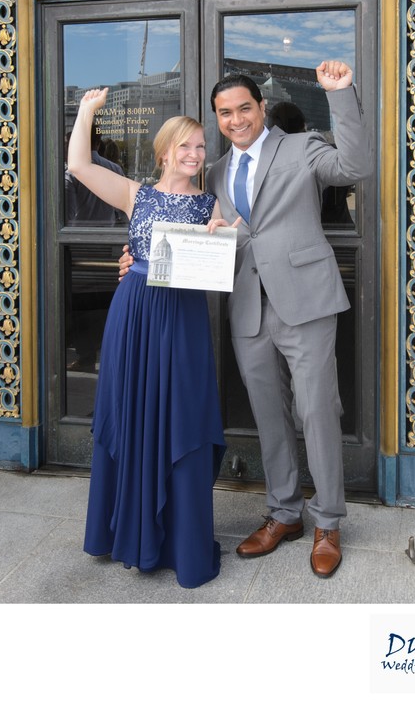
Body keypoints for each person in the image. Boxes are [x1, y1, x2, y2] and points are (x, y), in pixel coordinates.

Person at [120, 59, 371, 578]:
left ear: (261, 108)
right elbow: (178, 227)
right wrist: (136, 258)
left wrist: (341, 94)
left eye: (243, 109)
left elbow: (356, 166)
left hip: (306, 301)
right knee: (269, 415)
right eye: (224, 113)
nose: (235, 120)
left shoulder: (301, 148)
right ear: (217, 118)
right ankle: (284, 514)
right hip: (247, 307)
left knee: (317, 411)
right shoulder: (211, 171)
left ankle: (327, 522)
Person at [67, 87, 226, 588]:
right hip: (134, 310)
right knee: (130, 412)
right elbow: (79, 166)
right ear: (164, 152)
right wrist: (87, 113)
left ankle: (183, 541)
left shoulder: (211, 203)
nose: (195, 155)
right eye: (186, 146)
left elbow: (225, 254)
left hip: (182, 318)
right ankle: (128, 534)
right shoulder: (137, 193)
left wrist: (222, 234)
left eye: (201, 147)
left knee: (183, 414)